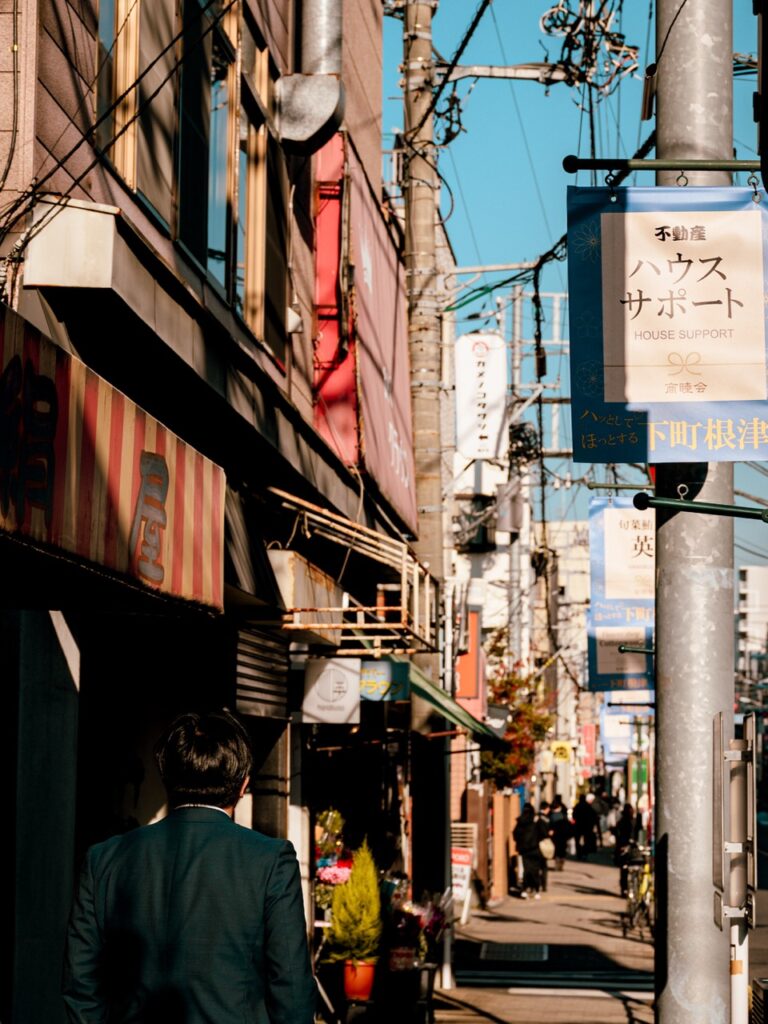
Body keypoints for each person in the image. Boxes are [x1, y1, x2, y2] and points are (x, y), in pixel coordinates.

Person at [63, 709, 316, 1024]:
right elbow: (290, 987)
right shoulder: (270, 859)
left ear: (166, 777)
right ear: (243, 784)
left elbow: (81, 983)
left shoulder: (104, 859)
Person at [512, 803, 548, 899]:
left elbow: (515, 834)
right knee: (535, 870)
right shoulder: (536, 820)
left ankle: (525, 889)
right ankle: (536, 890)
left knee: (526, 870)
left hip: (524, 850)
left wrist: (520, 842)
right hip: (535, 849)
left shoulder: (520, 821)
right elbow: (544, 833)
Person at [614, 802, 640, 896]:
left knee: (626, 869)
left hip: (628, 848)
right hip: (626, 848)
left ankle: (626, 888)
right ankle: (625, 888)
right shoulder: (625, 822)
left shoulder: (632, 822)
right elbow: (618, 835)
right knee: (625, 869)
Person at [572, 793, 599, 860]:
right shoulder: (588, 806)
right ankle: (584, 854)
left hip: (579, 826)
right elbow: (594, 816)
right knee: (586, 841)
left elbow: (574, 816)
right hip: (586, 827)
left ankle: (579, 854)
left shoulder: (577, 806)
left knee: (578, 841)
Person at [549, 794, 570, 871]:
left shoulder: (551, 814)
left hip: (555, 835)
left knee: (557, 850)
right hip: (563, 835)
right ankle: (560, 864)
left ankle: (557, 864)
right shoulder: (563, 811)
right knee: (562, 851)